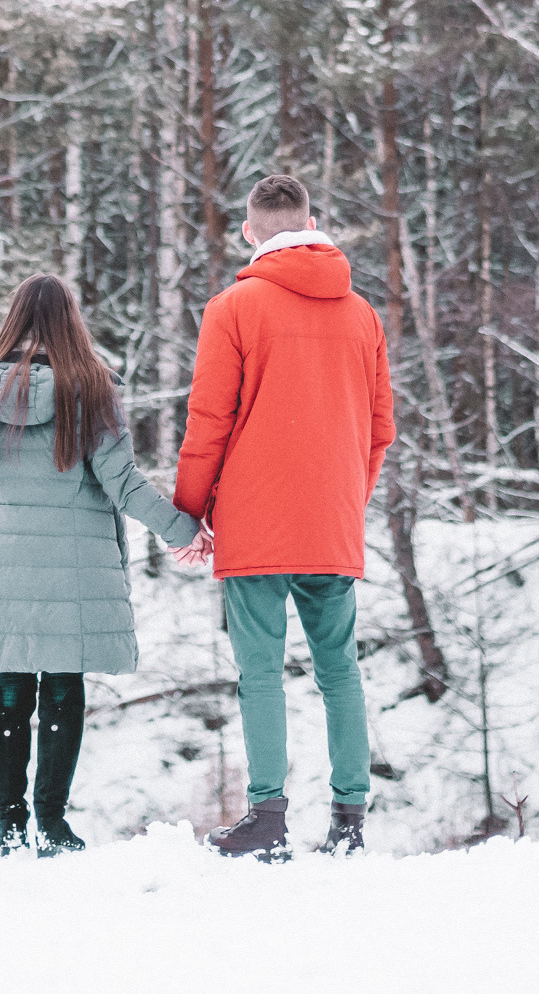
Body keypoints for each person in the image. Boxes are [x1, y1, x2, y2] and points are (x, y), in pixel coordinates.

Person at [173, 172, 394, 860]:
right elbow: (381, 429)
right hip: (331, 519)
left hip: (255, 518)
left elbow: (209, 420)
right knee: (341, 673)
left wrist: (190, 513)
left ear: (250, 232)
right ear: (312, 223)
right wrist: (344, 502)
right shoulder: (362, 315)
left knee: (261, 673)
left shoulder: (233, 308)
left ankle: (267, 819)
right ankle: (349, 822)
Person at [0, 272, 205, 855]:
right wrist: (185, 530)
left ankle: (10, 827)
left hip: (3, 561)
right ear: (72, 320)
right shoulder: (92, 387)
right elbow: (123, 483)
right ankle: (52, 823)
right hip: (76, 567)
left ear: (14, 317)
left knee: (10, 686)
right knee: (64, 686)